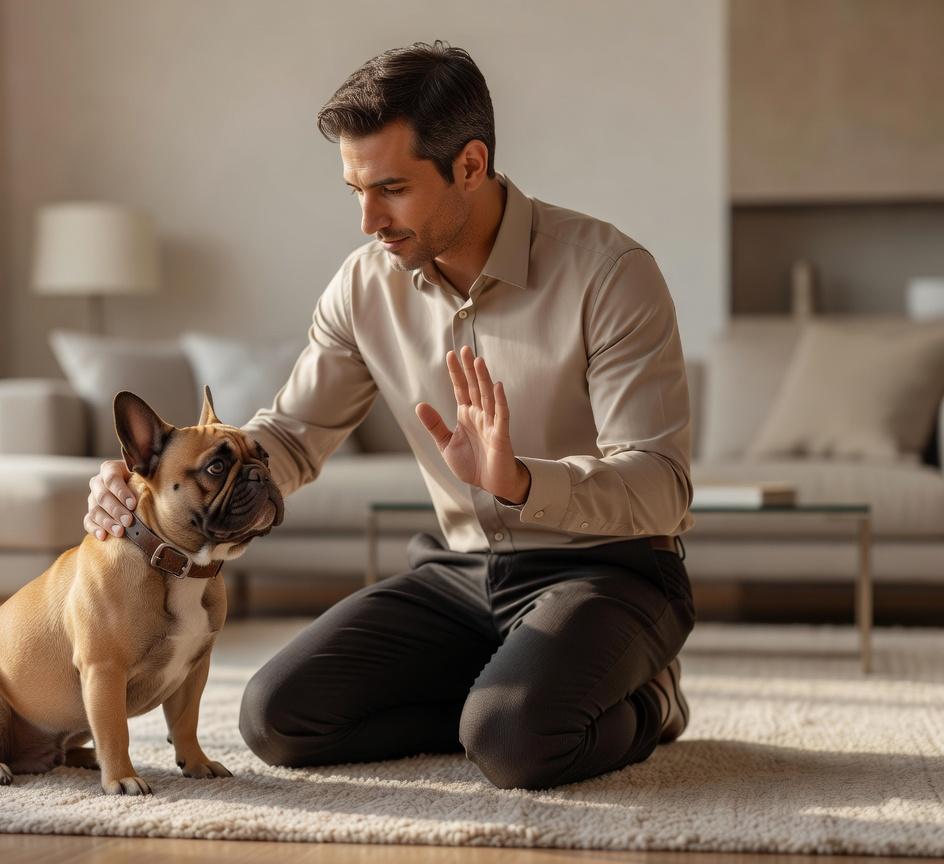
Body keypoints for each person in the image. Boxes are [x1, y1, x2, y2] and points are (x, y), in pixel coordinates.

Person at [82, 41, 696, 790]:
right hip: (463, 572)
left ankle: (648, 699)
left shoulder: (609, 273)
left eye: (393, 189)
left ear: (470, 165)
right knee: (278, 719)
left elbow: (663, 484)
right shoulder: (364, 286)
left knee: (515, 744)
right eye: (355, 191)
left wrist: (520, 481)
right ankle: (506, 699)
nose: (369, 218)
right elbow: (289, 439)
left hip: (610, 572)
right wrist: (151, 485)